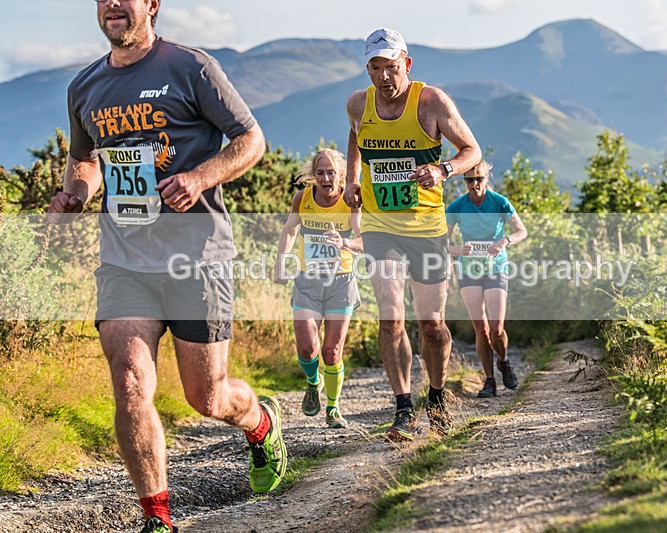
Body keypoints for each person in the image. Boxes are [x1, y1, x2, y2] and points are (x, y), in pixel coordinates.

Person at [45, 1, 285, 531]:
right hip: (125, 262)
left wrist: (199, 178)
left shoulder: (191, 67)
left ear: (151, 5)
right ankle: (158, 518)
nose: (112, 4)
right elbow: (85, 159)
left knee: (208, 396)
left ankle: (260, 423)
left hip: (196, 258)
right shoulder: (84, 86)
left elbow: (251, 139)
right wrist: (76, 194)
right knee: (130, 381)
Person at [343, 28, 481, 441]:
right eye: (375, 68)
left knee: (433, 324)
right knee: (390, 317)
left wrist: (442, 170)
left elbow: (472, 150)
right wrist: (352, 179)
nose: (384, 77)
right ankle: (403, 407)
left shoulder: (431, 102)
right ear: (367, 68)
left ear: (406, 64)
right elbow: (355, 136)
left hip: (426, 226)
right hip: (381, 224)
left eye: (391, 67)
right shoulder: (356, 103)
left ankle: (436, 396)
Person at [273, 149, 362, 429]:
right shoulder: (303, 198)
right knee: (307, 347)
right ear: (314, 175)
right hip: (308, 281)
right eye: (321, 172)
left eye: (331, 172)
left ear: (341, 175)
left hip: (341, 281)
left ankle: (333, 408)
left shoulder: (351, 202)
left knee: (331, 351)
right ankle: (314, 382)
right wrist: (281, 262)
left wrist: (345, 243)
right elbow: (290, 230)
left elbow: (365, 241)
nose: (326, 178)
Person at [446, 160, 528, 398]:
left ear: (486, 179)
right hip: (468, 270)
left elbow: (521, 231)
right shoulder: (456, 207)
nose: (474, 185)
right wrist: (460, 250)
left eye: (478, 179)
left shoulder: (499, 202)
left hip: (496, 267)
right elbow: (441, 243)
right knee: (480, 330)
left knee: (496, 329)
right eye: (469, 180)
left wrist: (505, 241)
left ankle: (504, 361)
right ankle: (489, 381)